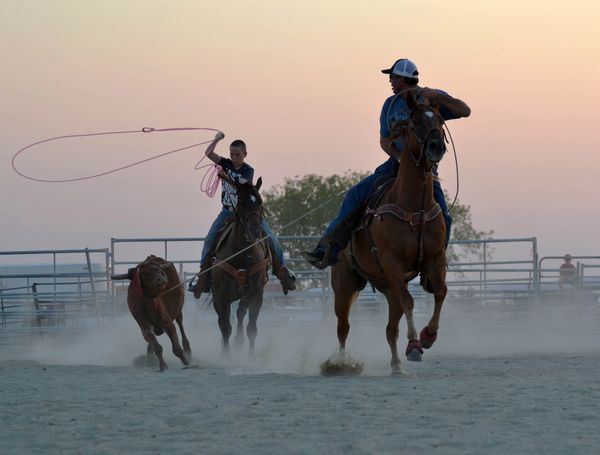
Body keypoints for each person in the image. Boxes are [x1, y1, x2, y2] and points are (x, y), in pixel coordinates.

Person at [302, 58, 471, 269]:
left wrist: (436, 96)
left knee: (443, 216)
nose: (390, 81)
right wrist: (401, 159)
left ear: (403, 78)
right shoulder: (389, 104)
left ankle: (436, 266)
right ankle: (328, 249)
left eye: (392, 77)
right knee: (355, 195)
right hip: (394, 165)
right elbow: (385, 140)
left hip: (427, 171)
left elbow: (465, 110)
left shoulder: (432, 98)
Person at [190, 133, 296, 297]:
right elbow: (209, 154)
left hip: (245, 213)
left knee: (270, 237)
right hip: (226, 212)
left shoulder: (248, 170)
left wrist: (225, 176)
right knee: (210, 239)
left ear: (244, 154)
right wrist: (216, 140)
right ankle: (203, 277)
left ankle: (283, 270)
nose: (234, 157)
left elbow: (242, 184)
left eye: (237, 154)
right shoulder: (225, 163)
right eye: (231, 154)